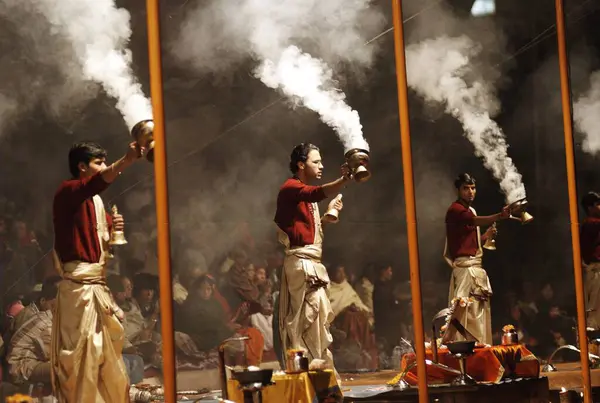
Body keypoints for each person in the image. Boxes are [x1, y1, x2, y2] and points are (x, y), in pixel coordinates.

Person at [51, 141, 143, 402]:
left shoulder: (96, 201)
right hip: (79, 292)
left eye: (105, 162)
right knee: (84, 359)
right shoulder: (68, 191)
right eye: (98, 163)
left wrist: (113, 230)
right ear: (82, 167)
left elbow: (99, 246)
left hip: (97, 287)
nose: (103, 167)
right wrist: (126, 160)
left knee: (107, 356)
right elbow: (95, 184)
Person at [274, 142, 350, 374]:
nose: (321, 165)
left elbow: (311, 229)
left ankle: (317, 370)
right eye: (315, 161)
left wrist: (329, 214)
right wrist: (343, 180)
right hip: (301, 264)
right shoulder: (291, 188)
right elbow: (316, 193)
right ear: (300, 164)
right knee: (305, 318)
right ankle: (305, 371)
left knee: (315, 319)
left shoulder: (304, 194)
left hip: (311, 263)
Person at [443, 173, 510, 345]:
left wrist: (486, 236)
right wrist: (499, 216)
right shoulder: (456, 210)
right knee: (465, 313)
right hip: (465, 270)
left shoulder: (470, 210)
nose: (470, 192)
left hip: (475, 268)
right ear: (458, 190)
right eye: (466, 188)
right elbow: (474, 221)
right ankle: (464, 352)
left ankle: (480, 347)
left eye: (473, 188)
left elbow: (470, 243)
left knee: (478, 312)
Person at [580, 191, 600, 328]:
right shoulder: (591, 224)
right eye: (598, 204)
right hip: (596, 271)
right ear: (590, 207)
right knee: (595, 311)